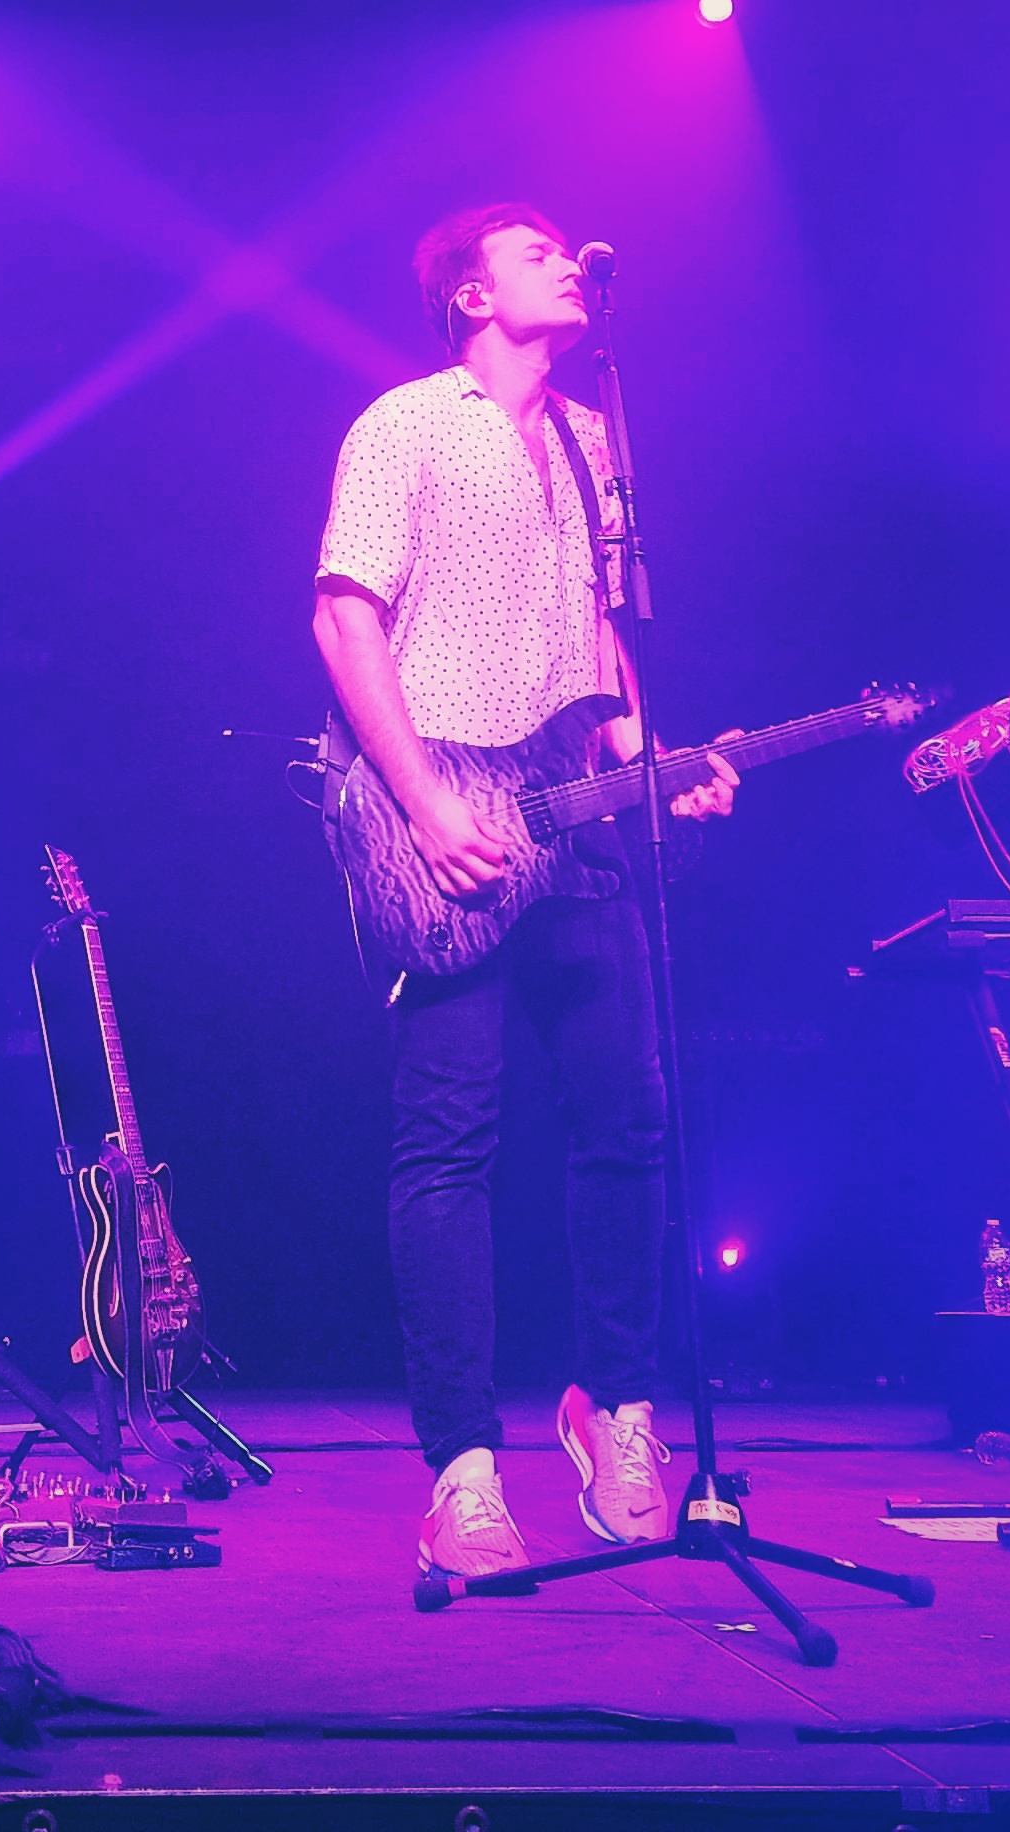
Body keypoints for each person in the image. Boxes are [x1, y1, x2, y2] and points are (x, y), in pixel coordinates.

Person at [312, 205, 738, 1587]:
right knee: (451, 1141)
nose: (569, 258)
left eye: (567, 248)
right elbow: (343, 614)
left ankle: (620, 1414)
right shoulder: (405, 424)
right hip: (443, 801)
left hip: (573, 804)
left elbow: (599, 638)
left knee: (629, 1116)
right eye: (535, 248)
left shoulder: (593, 436)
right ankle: (462, 1470)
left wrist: (654, 763)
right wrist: (426, 806)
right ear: (470, 295)